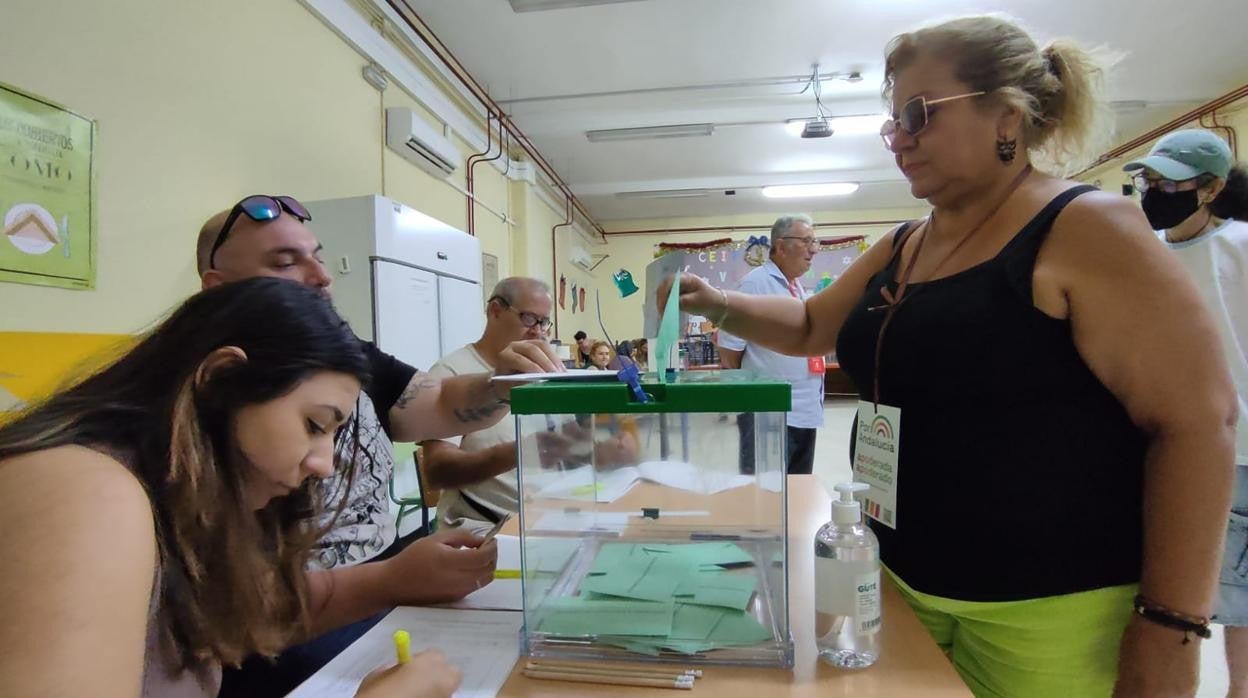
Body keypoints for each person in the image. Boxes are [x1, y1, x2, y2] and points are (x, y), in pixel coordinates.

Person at [660, 15, 1235, 697]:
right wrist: (712, 301)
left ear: (1008, 117)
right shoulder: (905, 243)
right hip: (900, 579)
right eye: (893, 121)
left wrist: (1170, 627)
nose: (898, 139)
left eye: (918, 113)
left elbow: (1199, 424)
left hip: (1047, 607)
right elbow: (812, 322)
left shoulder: (1083, 228)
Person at [0, 278, 460, 697]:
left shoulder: (188, 501)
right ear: (221, 379)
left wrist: (393, 578)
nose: (323, 465)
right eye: (314, 424)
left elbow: (257, 612)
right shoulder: (88, 494)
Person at [195, 196, 561, 695]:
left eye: (318, 257)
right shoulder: (192, 402)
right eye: (285, 262)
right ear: (216, 289)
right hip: (289, 635)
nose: (321, 277)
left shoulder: (346, 352)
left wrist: (500, 385)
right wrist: (392, 580)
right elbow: (220, 612)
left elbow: (436, 401)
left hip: (384, 589)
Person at [1124, 129, 1248, 697]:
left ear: (1212, 188)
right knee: (1166, 589)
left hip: (1237, 450)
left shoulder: (1240, 247)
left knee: (1238, 597)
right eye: (1147, 180)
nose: (1153, 191)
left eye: (1168, 181)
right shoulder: (1141, 252)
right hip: (1153, 442)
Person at [422, 277, 554, 534]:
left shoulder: (538, 374)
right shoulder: (450, 372)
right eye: (529, 318)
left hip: (541, 517)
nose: (538, 331)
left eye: (544, 322)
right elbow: (438, 470)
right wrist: (522, 451)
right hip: (482, 526)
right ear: (495, 310)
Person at [717, 215, 825, 475]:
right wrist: (754, 394)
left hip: (803, 409)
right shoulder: (755, 284)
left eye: (815, 242)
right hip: (768, 414)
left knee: (797, 489)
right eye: (806, 241)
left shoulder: (797, 287)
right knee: (765, 495)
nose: (813, 249)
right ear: (780, 245)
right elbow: (729, 349)